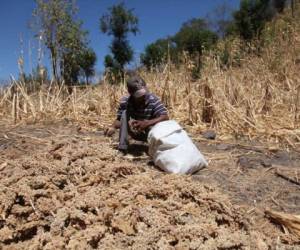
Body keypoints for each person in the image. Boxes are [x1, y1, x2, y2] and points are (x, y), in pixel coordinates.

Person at [105, 75, 169, 153]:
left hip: (151, 133)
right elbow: (120, 120)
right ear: (131, 93)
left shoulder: (153, 100)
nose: (142, 97)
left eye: (143, 93)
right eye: (138, 95)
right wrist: (113, 127)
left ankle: (156, 148)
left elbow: (165, 117)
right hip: (134, 132)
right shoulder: (125, 102)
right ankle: (122, 147)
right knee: (124, 113)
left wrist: (147, 123)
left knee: (155, 127)